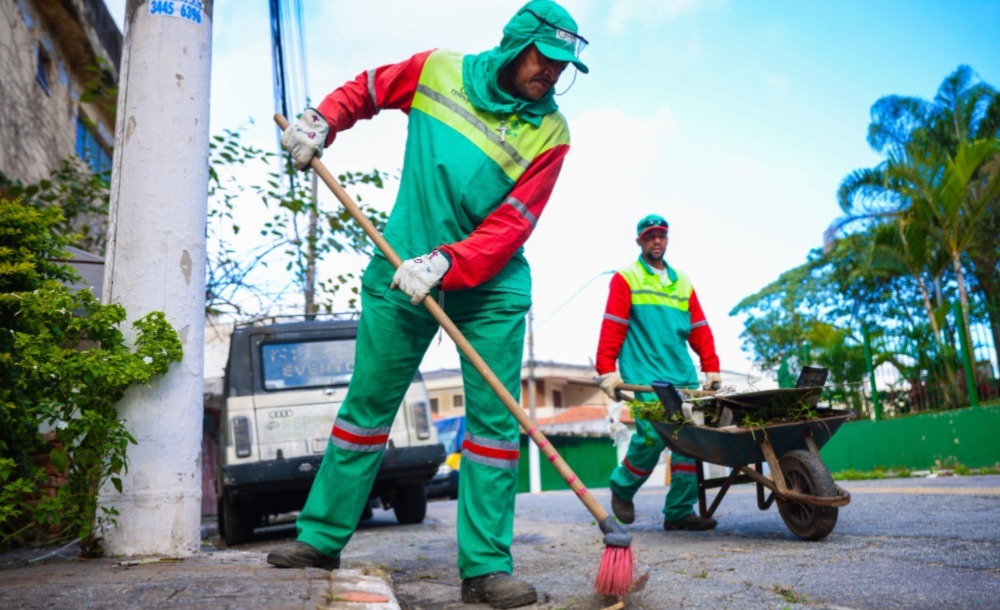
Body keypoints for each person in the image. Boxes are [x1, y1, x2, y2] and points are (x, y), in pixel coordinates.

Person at [266, 2, 589, 608]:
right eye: (544, 58)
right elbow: (369, 88)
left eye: (562, 65)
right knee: (367, 408)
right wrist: (322, 119)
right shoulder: (439, 70)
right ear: (516, 44)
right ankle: (320, 540)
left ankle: (486, 569)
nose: (552, 72)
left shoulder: (552, 132)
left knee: (494, 429)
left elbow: (514, 222)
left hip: (489, 288)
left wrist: (449, 262)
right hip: (399, 267)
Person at [594, 214, 722, 532]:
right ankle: (622, 486)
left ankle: (679, 511)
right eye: (649, 236)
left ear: (667, 239)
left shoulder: (683, 282)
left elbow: (699, 327)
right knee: (652, 436)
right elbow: (613, 325)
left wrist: (711, 367)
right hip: (645, 374)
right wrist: (606, 369)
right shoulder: (627, 278)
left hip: (682, 374)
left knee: (689, 441)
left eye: (661, 236)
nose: (656, 241)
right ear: (639, 241)